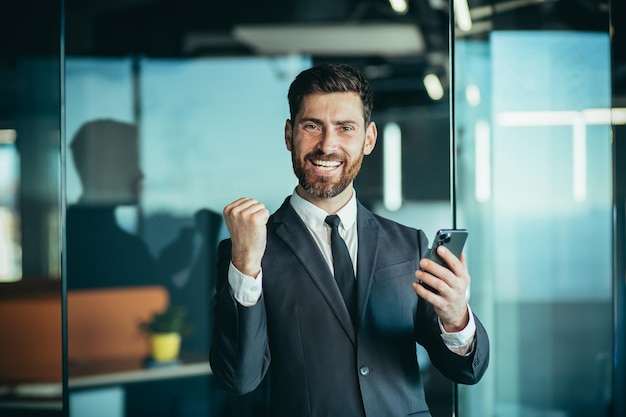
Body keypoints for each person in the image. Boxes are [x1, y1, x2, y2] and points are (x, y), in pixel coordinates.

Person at [209, 63, 489, 417]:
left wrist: (456, 318)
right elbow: (238, 378)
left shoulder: (409, 245)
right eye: (312, 126)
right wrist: (246, 266)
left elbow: (466, 369)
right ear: (288, 134)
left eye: (345, 128)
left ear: (368, 139)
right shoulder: (248, 252)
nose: (328, 144)